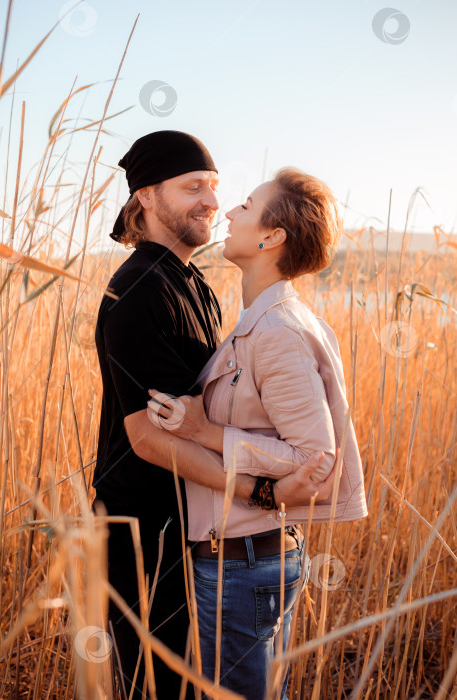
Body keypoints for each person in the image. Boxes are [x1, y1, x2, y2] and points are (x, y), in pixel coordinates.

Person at [92, 131, 339, 700]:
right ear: (147, 197)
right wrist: (260, 491)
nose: (211, 201)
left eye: (216, 187)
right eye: (192, 187)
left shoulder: (196, 285)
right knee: (153, 683)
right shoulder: (137, 291)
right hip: (144, 532)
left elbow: (210, 413)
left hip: (201, 530)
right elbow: (149, 439)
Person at [148, 167, 368, 700]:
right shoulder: (261, 322)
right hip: (249, 558)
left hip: (244, 565)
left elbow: (314, 456)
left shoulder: (276, 334)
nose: (226, 212)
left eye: (245, 206)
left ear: (272, 237)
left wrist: (207, 430)